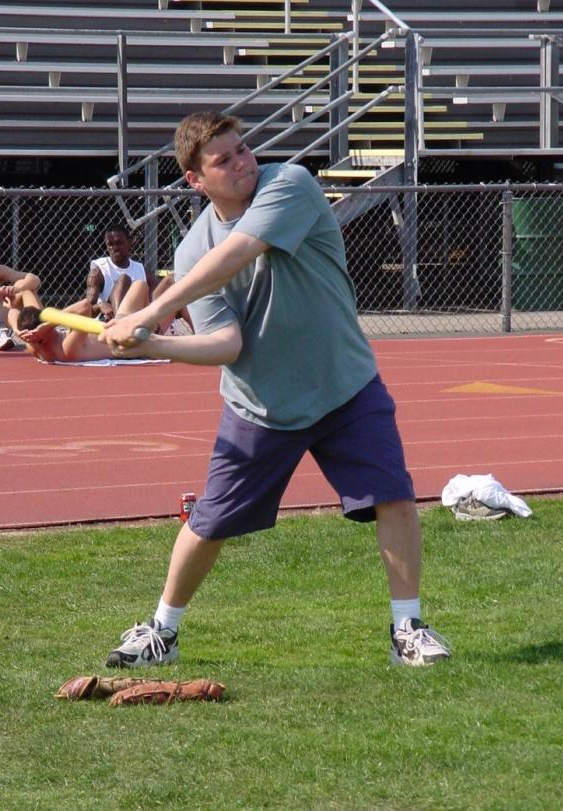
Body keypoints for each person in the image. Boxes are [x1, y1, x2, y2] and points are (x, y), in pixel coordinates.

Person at [99, 111, 451, 669]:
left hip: (344, 384)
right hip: (261, 405)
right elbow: (226, 344)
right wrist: (152, 346)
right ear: (196, 180)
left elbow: (239, 252)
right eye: (224, 159)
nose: (242, 162)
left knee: (393, 496)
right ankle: (161, 632)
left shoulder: (290, 184)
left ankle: (408, 626)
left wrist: (156, 310)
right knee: (208, 521)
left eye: (243, 149)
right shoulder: (192, 251)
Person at [10, 279, 154, 363]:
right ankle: (154, 329)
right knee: (143, 285)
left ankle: (152, 323)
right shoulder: (66, 349)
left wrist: (16, 331)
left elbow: (20, 299)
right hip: (128, 338)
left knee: (138, 285)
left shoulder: (32, 343)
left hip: (115, 323)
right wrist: (50, 323)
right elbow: (85, 306)